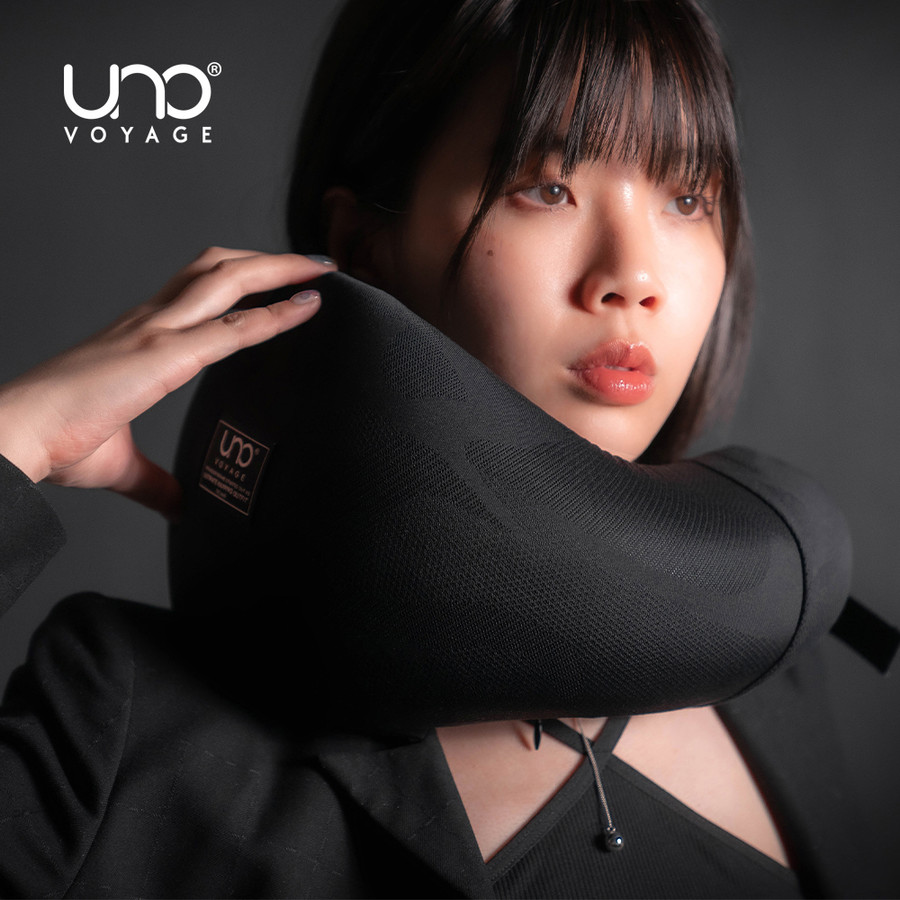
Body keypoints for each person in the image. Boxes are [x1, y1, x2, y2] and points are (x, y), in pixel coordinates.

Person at [0, 0, 894, 897]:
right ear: (366, 246)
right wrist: (15, 436)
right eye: (547, 188)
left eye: (688, 199)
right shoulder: (127, 719)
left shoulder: (772, 671)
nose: (635, 276)